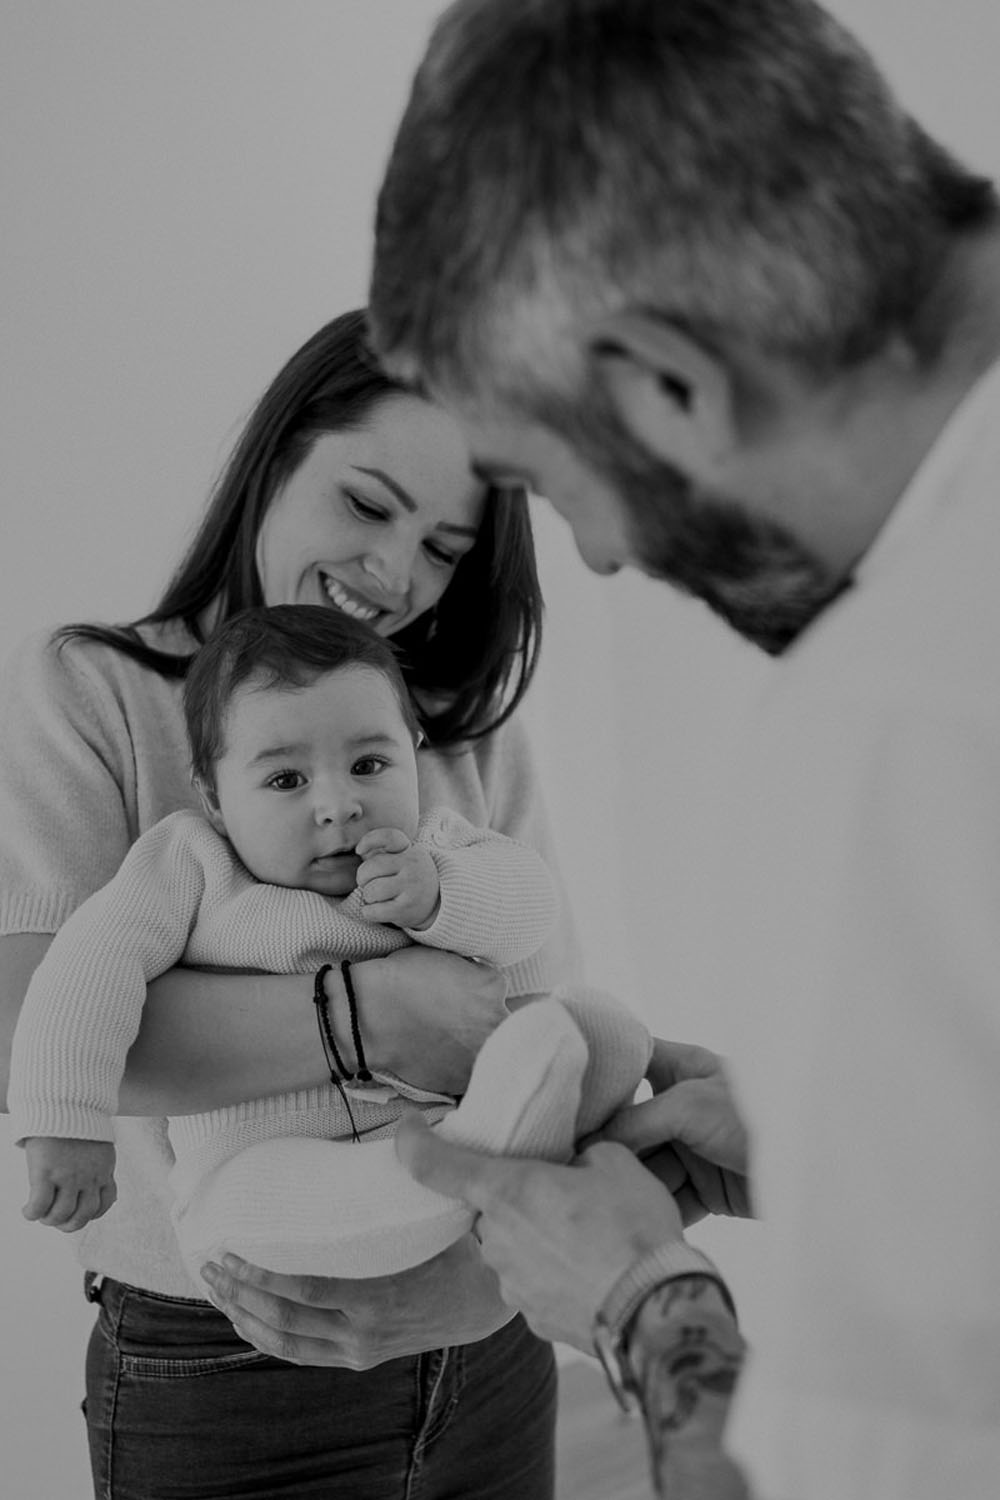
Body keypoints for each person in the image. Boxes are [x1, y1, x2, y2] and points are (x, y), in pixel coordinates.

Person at [366, 1, 1000, 1497]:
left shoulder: (901, 725)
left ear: (664, 382)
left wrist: (644, 1308)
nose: (590, 557)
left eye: (539, 482)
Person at [0, 308, 587, 1499]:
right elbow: (29, 1020)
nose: (395, 573)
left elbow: (538, 1015)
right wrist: (372, 1011)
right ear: (277, 461)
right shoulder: (96, 692)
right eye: (369, 506)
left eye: (443, 549)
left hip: (484, 1327)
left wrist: (485, 1283)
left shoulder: (455, 741)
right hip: (224, 1359)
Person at [9, 603, 648, 1285]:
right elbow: (81, 974)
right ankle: (462, 1178)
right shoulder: (186, 866)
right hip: (254, 1174)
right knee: (273, 1199)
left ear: (414, 758)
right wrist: (67, 1122)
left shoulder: (435, 849)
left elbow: (531, 907)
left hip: (429, 1130)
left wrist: (441, 896)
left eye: (370, 764)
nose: (339, 804)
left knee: (590, 1029)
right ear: (215, 797)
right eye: (287, 780)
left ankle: (493, 1143)